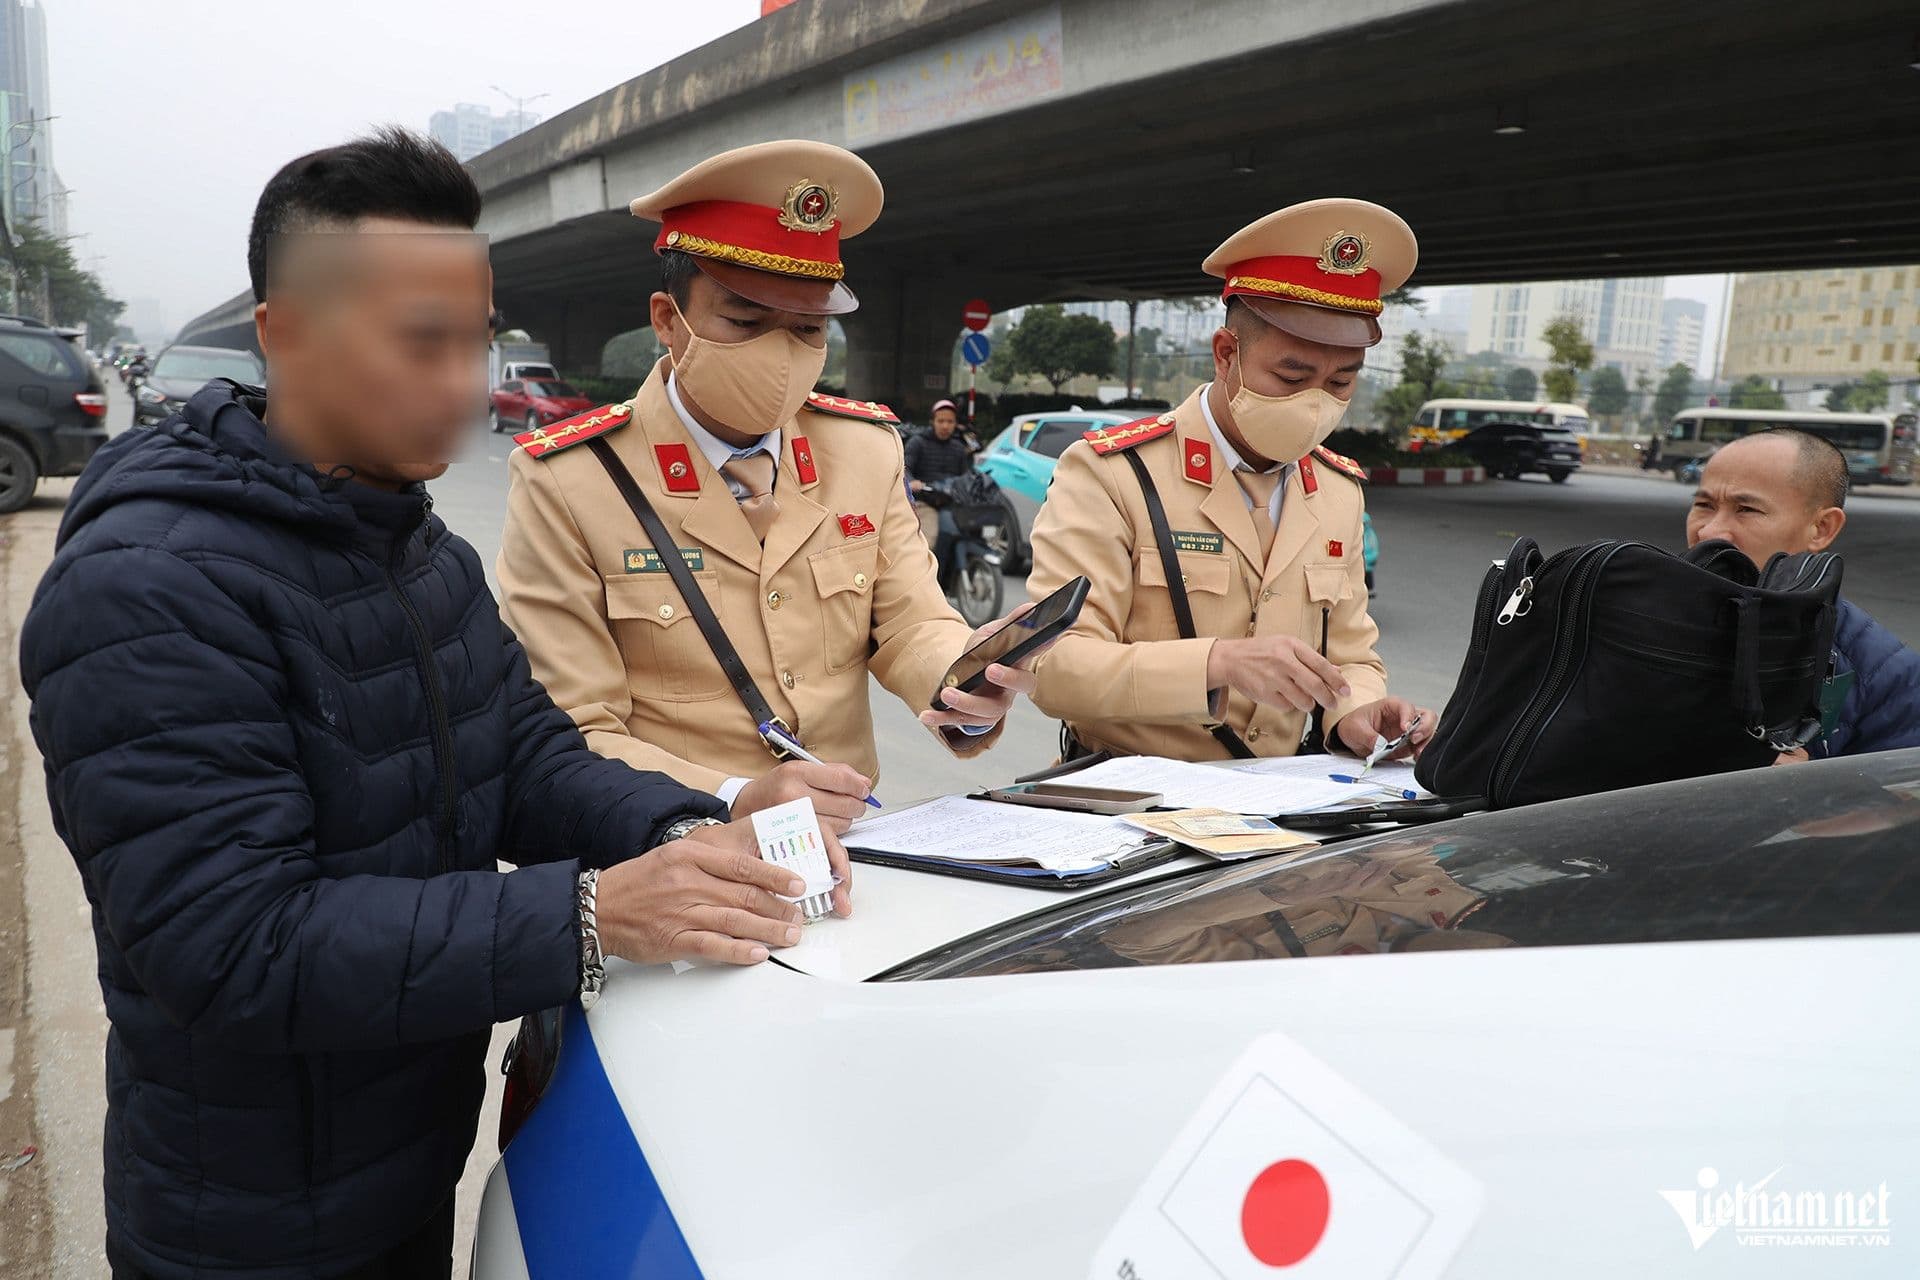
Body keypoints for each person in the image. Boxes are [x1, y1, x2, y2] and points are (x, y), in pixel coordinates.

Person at [18, 129, 837, 1280]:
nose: (463, 385)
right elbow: (228, 942)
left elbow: (525, 762)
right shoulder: (148, 587)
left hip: (405, 1160)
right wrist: (596, 914)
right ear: (283, 335)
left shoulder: (415, 546)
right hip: (249, 1223)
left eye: (475, 341)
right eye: (420, 343)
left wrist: (693, 833)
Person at [498, 140, 1038, 834]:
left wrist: (960, 680)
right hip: (671, 852)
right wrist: (732, 795)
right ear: (669, 319)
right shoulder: (571, 480)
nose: (781, 354)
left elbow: (909, 622)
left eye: (808, 328)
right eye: (746, 322)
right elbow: (574, 729)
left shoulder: (864, 449)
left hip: (849, 846)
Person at [1026, 199, 1435, 763]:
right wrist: (1217, 662)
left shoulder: (1338, 490)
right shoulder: (1114, 474)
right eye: (1291, 376)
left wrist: (1356, 714)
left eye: (1341, 382)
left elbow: (1352, 655)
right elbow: (1052, 665)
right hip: (1130, 804)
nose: (1315, 402)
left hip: (1281, 814)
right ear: (1226, 355)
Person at [1684, 427, 1920, 758]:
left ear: (1821, 529)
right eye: (1704, 504)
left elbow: (1899, 802)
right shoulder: (1626, 619)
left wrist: (1806, 793)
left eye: (1747, 510)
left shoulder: (1888, 676)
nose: (1708, 532)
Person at [905, 397, 978, 584]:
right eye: (941, 421)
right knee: (929, 541)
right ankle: (919, 583)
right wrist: (913, 482)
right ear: (932, 422)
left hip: (951, 503)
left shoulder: (959, 448)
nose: (945, 426)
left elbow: (966, 475)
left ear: (955, 424)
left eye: (950, 421)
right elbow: (904, 468)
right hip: (925, 502)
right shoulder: (917, 443)